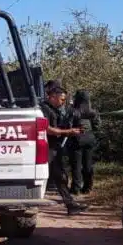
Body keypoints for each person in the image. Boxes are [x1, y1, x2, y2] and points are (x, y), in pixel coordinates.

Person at [38, 84, 88, 215]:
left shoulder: (58, 109)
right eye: (62, 99)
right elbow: (48, 129)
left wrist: (73, 129)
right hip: (46, 148)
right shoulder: (43, 109)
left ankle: (71, 205)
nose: (63, 102)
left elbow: (61, 126)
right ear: (52, 97)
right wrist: (69, 131)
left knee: (60, 176)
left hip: (55, 148)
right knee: (49, 176)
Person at [67, 89, 101, 195]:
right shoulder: (93, 111)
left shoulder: (73, 111)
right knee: (88, 164)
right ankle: (87, 187)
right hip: (90, 138)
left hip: (77, 138)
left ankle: (76, 188)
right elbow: (97, 125)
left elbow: (68, 124)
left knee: (76, 164)